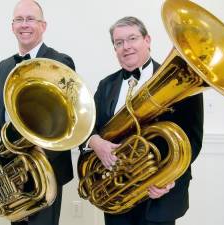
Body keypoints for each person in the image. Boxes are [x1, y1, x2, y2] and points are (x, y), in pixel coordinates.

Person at [85, 16, 203, 225]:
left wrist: (170, 178)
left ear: (147, 40)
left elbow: (192, 140)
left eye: (132, 38)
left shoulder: (181, 79)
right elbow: (88, 126)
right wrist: (96, 143)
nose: (126, 47)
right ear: (114, 48)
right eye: (119, 42)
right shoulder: (106, 85)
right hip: (116, 194)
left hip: (159, 196)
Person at [0, 1, 75, 225]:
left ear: (43, 25)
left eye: (30, 19)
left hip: (45, 168)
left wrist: (34, 163)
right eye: (19, 20)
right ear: (12, 27)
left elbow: (68, 120)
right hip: (13, 170)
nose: (24, 25)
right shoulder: (4, 66)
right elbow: (0, 115)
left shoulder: (60, 61)